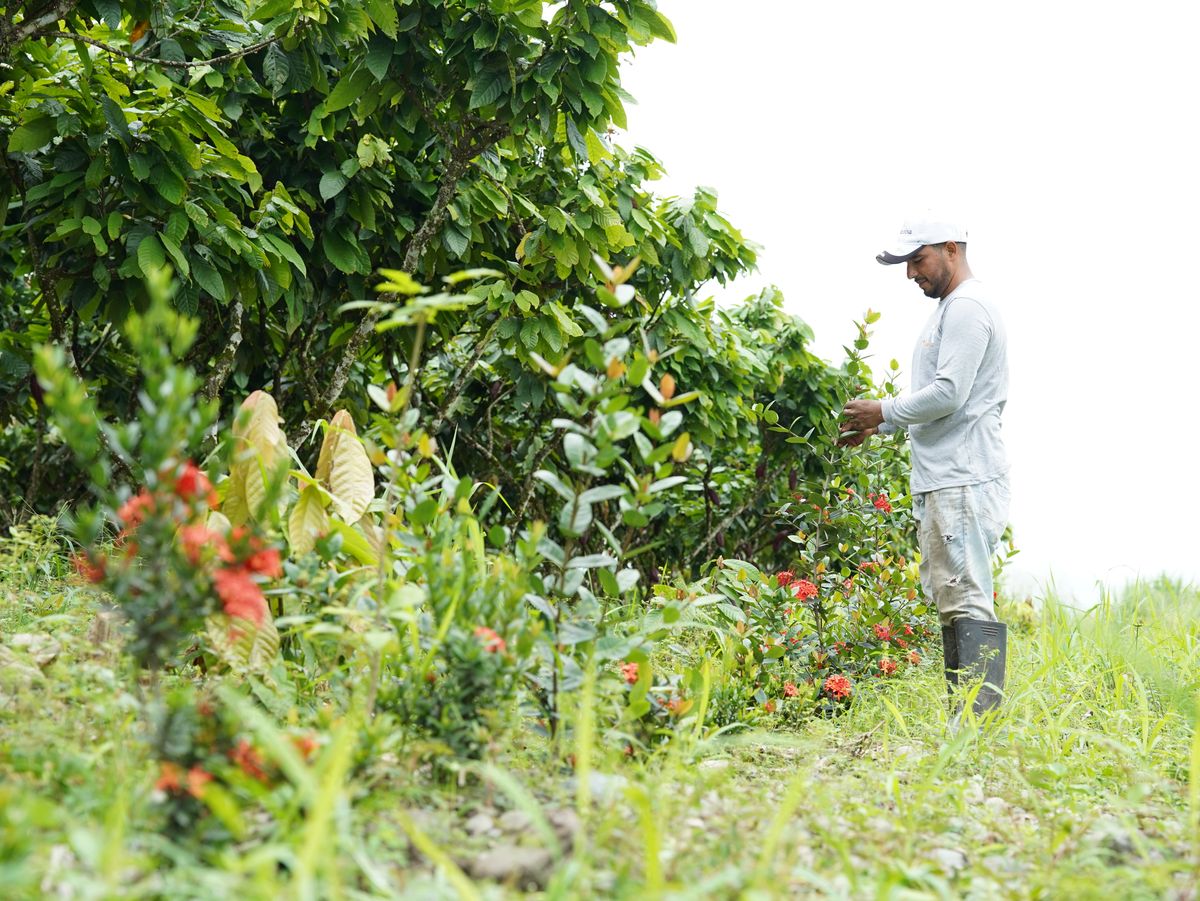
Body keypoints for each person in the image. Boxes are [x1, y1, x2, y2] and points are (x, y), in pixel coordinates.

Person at [839, 215, 1010, 716]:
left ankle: (979, 724)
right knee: (953, 601)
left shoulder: (967, 308)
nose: (911, 274)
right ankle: (966, 720)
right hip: (947, 477)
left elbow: (950, 395)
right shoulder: (950, 310)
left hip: (963, 477)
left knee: (968, 600)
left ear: (952, 249)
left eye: (918, 260)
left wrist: (884, 410)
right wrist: (882, 425)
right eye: (906, 264)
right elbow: (941, 400)